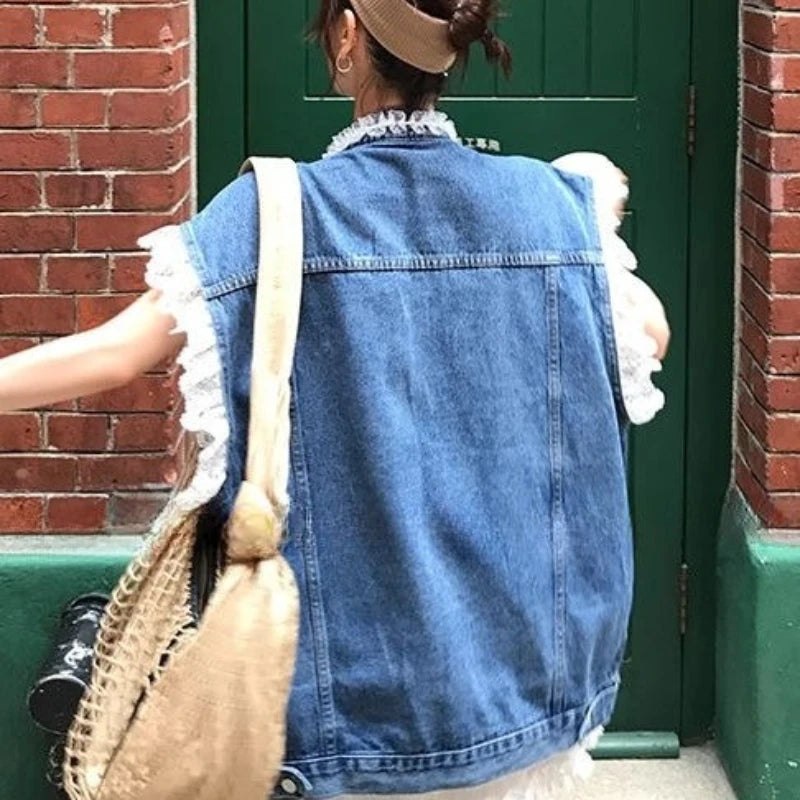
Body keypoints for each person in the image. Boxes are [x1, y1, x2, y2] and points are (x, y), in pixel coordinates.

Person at [0, 0, 670, 797]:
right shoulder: (551, 203)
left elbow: (117, 353)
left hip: (344, 715)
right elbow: (650, 336)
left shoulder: (271, 214)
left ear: (349, 33)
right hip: (518, 704)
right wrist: (592, 223)